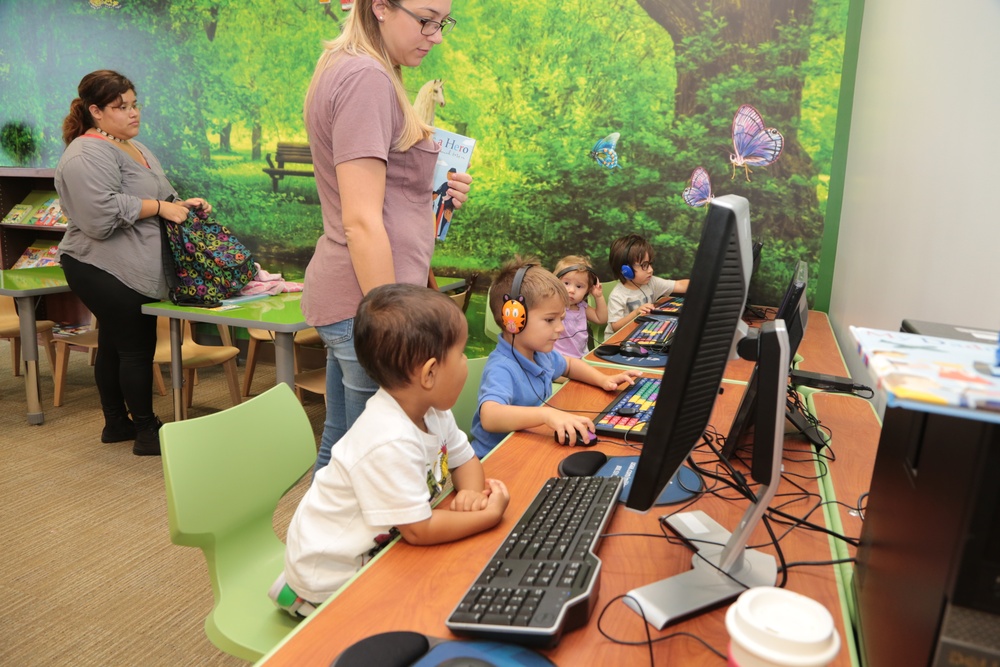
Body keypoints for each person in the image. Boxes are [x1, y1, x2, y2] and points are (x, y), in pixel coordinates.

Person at [301, 0, 473, 473]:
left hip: (354, 300)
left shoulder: (359, 67)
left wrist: (435, 192)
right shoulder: (367, 78)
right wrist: (391, 325)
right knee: (375, 466)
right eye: (425, 20)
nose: (436, 35)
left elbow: (386, 193)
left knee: (342, 450)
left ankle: (317, 547)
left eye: (443, 23)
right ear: (380, 7)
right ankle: (345, 549)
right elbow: (361, 219)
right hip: (368, 303)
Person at [270, 284, 509, 614]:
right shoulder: (389, 439)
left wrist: (469, 492)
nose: (467, 361)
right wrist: (489, 515)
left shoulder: (433, 412)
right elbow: (419, 531)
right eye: (461, 353)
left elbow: (464, 459)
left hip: (381, 548)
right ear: (429, 373)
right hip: (331, 578)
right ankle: (299, 603)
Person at [55, 69, 212, 456]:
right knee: (136, 348)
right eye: (120, 107)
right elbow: (98, 215)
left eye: (134, 104)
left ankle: (116, 424)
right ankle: (146, 432)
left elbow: (159, 193)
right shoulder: (84, 153)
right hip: (99, 266)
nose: (132, 113)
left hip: (128, 266)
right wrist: (159, 207)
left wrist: (181, 205)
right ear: (95, 111)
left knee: (114, 344)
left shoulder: (136, 147)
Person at [470, 258, 642, 459]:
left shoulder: (541, 354)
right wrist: (546, 415)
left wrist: (603, 380)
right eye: (550, 320)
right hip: (496, 458)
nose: (560, 328)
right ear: (513, 320)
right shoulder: (502, 367)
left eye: (561, 319)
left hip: (527, 444)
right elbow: (490, 416)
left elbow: (569, 365)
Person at [604, 233, 690, 341]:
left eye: (650, 264)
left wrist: (705, 283)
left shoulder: (651, 282)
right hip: (618, 341)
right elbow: (615, 327)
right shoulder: (618, 295)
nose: (650, 270)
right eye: (644, 265)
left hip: (642, 334)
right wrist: (636, 313)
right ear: (626, 270)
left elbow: (679, 285)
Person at [552, 255, 607, 358]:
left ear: (588, 290)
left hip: (581, 358)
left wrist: (598, 297)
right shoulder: (552, 306)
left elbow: (601, 319)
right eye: (566, 283)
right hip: (558, 359)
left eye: (579, 286)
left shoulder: (582, 307)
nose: (571, 290)